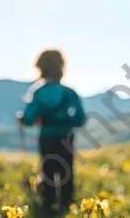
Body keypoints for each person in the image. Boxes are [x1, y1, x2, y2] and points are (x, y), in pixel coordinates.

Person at [17, 49, 87, 209]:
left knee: (47, 169)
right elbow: (80, 119)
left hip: (46, 136)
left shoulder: (38, 92)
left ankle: (47, 203)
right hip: (66, 137)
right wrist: (66, 121)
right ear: (61, 67)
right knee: (66, 170)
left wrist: (22, 118)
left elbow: (28, 118)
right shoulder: (69, 93)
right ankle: (66, 204)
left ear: (40, 67)